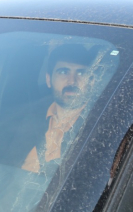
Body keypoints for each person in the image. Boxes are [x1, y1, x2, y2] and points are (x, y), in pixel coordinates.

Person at [22, 44, 99, 173]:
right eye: (63, 72)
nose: (72, 81)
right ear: (48, 80)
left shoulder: (99, 126)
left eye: (80, 73)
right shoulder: (31, 118)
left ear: (91, 81)